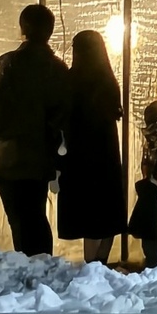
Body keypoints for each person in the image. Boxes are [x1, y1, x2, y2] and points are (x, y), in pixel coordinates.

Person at [0, 4, 69, 257]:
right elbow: (62, 112)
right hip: (40, 154)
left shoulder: (11, 63)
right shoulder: (57, 68)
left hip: (7, 154)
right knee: (35, 214)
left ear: (22, 30)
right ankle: (41, 265)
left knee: (18, 218)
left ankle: (29, 267)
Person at [57, 30, 127, 264]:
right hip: (105, 154)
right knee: (107, 213)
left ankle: (92, 265)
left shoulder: (70, 79)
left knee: (88, 216)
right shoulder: (107, 79)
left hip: (78, 156)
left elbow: (62, 117)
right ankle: (101, 263)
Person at [128, 100, 157, 267]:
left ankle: (154, 263)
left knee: (155, 235)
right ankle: (153, 263)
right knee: (154, 235)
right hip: (155, 192)